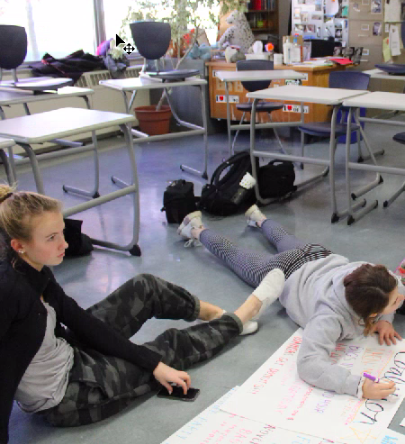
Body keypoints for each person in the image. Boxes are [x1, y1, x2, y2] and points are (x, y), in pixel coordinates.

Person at [0, 187, 284, 443]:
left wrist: (146, 361)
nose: (65, 244)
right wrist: (155, 364)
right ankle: (239, 316)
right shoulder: (11, 293)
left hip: (69, 352)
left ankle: (213, 313)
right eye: (52, 238)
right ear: (18, 245)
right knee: (171, 347)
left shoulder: (35, 269)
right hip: (66, 396)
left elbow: (80, 321)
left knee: (144, 287)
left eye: (62, 232)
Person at [177, 206, 405, 401]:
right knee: (235, 256)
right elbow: (308, 364)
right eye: (395, 300)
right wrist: (358, 386)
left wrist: (385, 320)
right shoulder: (329, 317)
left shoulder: (372, 276)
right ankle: (194, 228)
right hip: (284, 271)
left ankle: (258, 218)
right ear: (371, 310)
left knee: (283, 238)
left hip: (317, 254)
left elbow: (397, 285)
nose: (402, 295)